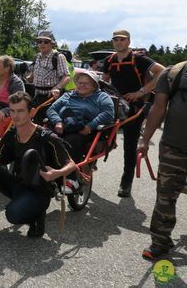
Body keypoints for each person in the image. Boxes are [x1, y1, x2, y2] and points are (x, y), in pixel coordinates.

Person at [0, 91, 76, 238]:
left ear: (31, 112)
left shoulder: (47, 138)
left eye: (20, 111)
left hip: (39, 191)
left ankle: (37, 216)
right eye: (12, 111)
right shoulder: (11, 135)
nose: (15, 116)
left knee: (12, 215)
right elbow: (1, 160)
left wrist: (54, 174)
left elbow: (71, 165)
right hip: (18, 184)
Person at [102, 29, 164, 198]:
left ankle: (126, 182)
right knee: (96, 135)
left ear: (128, 41)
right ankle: (86, 170)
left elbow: (162, 72)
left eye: (122, 39)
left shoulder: (139, 59)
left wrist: (141, 91)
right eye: (115, 40)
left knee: (129, 145)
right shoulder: (109, 60)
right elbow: (104, 80)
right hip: (114, 105)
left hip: (134, 107)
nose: (118, 42)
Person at [138, 61, 187, 261]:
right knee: (165, 196)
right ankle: (160, 242)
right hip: (173, 147)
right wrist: (145, 139)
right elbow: (158, 108)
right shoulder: (174, 73)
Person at [46, 71, 114, 193]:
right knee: (44, 137)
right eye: (80, 83)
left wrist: (90, 125)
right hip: (63, 126)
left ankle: (72, 179)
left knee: (70, 141)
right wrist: (57, 121)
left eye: (86, 83)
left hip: (85, 130)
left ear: (94, 85)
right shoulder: (69, 95)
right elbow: (51, 109)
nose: (82, 85)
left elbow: (108, 114)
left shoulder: (102, 97)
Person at [28, 31, 70, 123]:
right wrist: (29, 77)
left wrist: (57, 88)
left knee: (46, 123)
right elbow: (32, 75)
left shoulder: (58, 56)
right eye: (40, 41)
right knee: (31, 119)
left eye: (46, 42)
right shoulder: (37, 56)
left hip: (51, 97)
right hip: (37, 95)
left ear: (52, 43)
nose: (42, 44)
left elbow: (66, 77)